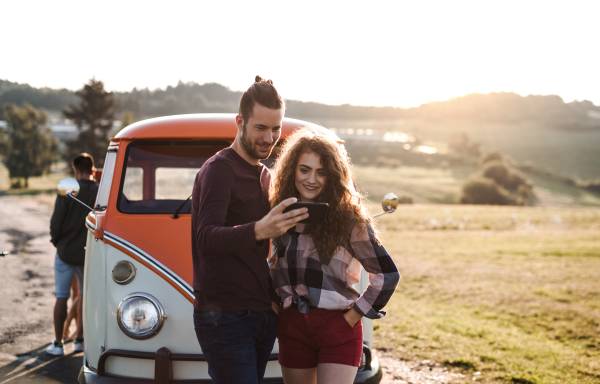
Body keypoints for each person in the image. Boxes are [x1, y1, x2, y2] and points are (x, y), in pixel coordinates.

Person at [191, 76, 308, 384]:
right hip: (224, 317)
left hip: (260, 313)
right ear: (240, 122)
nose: (269, 138)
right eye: (260, 128)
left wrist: (270, 299)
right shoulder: (219, 170)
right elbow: (206, 237)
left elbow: (258, 256)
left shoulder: (265, 175)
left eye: (276, 128)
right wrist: (259, 229)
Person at [269, 128, 401, 384]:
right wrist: (276, 307)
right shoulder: (281, 213)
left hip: (338, 325)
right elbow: (272, 266)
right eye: (304, 169)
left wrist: (350, 319)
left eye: (322, 172)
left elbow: (386, 275)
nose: (312, 179)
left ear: (333, 176)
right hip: (292, 325)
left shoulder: (350, 219)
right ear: (291, 171)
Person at [47, 153, 98, 355]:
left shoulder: (68, 189)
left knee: (62, 296)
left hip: (66, 252)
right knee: (85, 296)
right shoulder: (101, 190)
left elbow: (56, 221)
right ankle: (80, 341)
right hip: (89, 254)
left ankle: (58, 344)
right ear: (93, 170)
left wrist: (57, 242)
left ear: (75, 170)